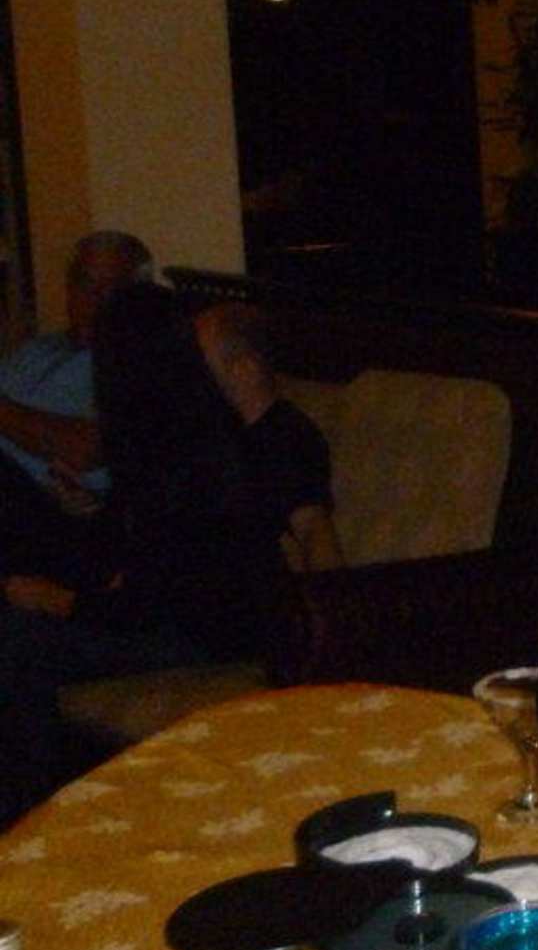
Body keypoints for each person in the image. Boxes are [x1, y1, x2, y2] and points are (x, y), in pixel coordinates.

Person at [0, 284, 297, 824]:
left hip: (204, 634)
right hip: (169, 613)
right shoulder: (167, 433)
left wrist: (59, 602)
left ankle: (28, 813)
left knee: (24, 639)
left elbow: (160, 598)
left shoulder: (188, 451)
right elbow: (142, 554)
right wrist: (94, 512)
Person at [0, 231, 152, 585]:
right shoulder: (36, 351)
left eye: (110, 288)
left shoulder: (135, 365)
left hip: (54, 514)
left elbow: (86, 449)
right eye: (84, 283)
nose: (92, 299)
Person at [194, 301, 343, 574]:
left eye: (201, 361)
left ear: (244, 369)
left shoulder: (287, 435)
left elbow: (312, 527)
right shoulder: (214, 428)